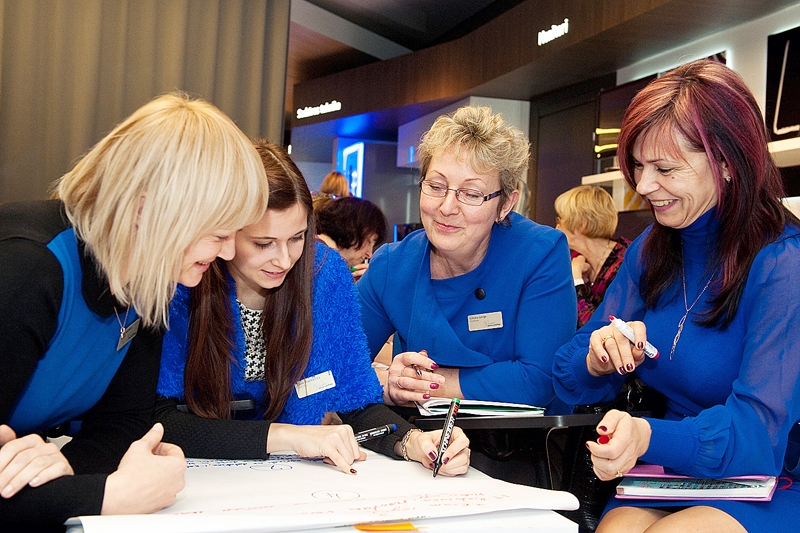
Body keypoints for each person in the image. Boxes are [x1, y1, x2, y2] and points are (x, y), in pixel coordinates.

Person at [0, 93, 270, 529]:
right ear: (148, 210)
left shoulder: (148, 281)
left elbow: (124, 423)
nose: (228, 251)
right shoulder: (26, 269)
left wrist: (59, 471)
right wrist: (114, 495)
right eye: (219, 232)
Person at [553, 59, 800, 533]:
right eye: (639, 166)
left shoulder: (783, 264)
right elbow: (566, 373)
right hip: (673, 472)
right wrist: (598, 358)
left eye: (665, 168)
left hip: (769, 479)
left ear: (727, 164)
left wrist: (646, 436)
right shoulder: (653, 247)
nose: (643, 186)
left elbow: (758, 436)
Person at [154, 140, 470, 477]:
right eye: (263, 244)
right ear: (225, 233)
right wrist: (286, 436)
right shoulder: (187, 276)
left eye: (297, 238)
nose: (284, 259)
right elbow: (158, 420)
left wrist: (413, 442)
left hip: (291, 480)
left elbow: (355, 401)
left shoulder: (323, 272)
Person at [357, 105, 576, 411]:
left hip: (519, 447)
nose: (447, 207)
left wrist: (427, 385)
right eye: (436, 186)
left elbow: (539, 379)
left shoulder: (539, 253)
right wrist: (386, 383)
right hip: (420, 445)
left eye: (471, 194)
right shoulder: (392, 265)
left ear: (505, 205)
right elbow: (334, 364)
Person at [555, 185, 630, 328]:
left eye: (560, 219)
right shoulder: (575, 258)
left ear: (581, 224)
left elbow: (597, 328)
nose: (556, 226)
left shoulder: (624, 264)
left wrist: (576, 279)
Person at [315, 196, 387, 280]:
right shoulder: (321, 261)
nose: (369, 254)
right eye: (369, 242)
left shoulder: (317, 250)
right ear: (355, 229)